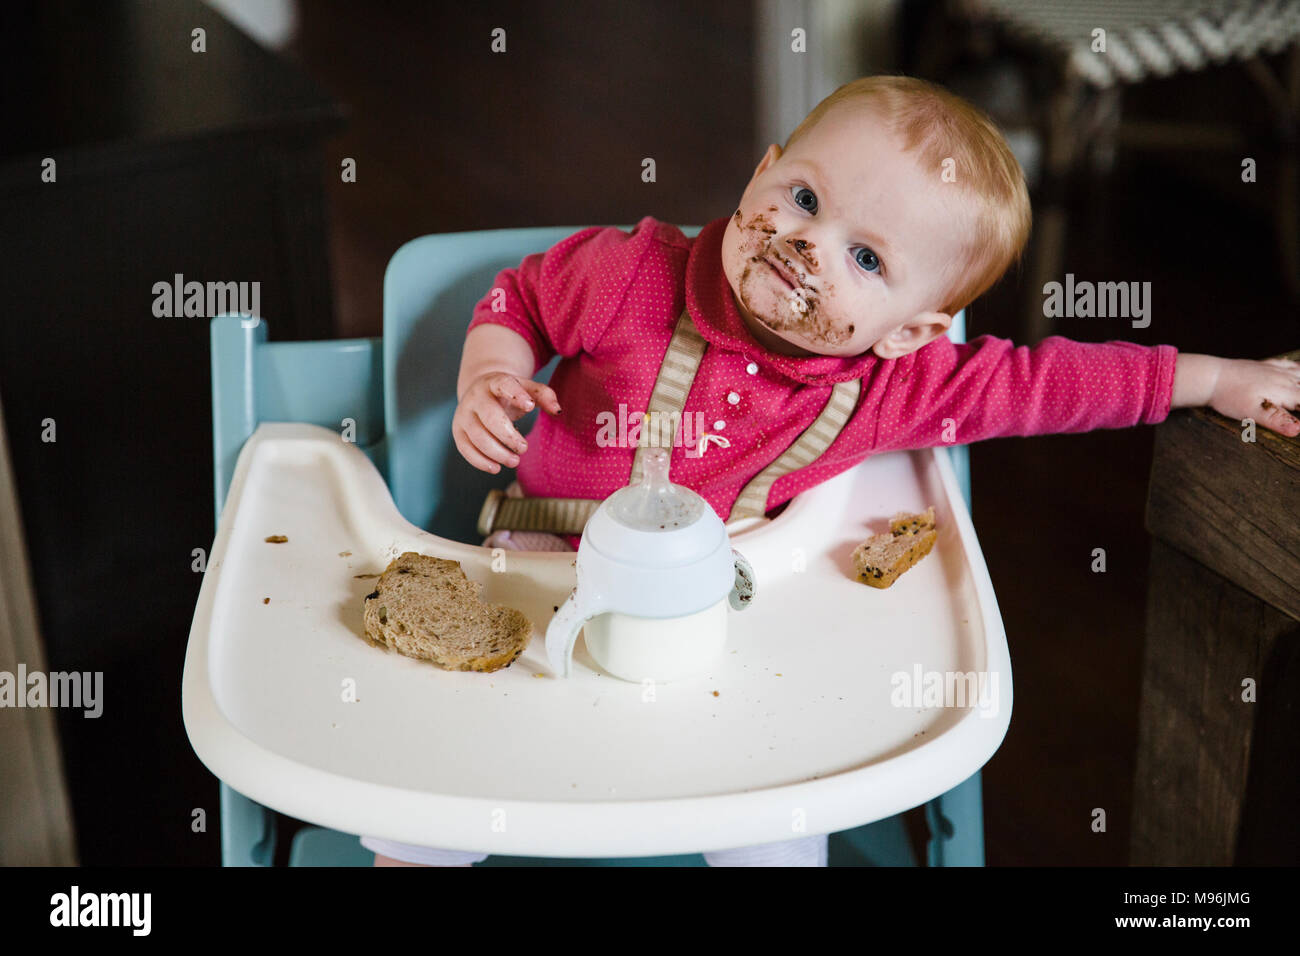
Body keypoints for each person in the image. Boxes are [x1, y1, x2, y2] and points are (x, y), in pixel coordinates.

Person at [364, 75, 1300, 868]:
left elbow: (1047, 384)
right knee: (438, 788)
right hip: (542, 572)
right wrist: (491, 368)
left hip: (729, 613)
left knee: (781, 813)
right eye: (805, 200)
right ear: (762, 171)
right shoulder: (630, 272)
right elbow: (520, 295)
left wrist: (1213, 379)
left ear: (911, 331)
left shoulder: (896, 388)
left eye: (864, 257)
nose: (808, 245)